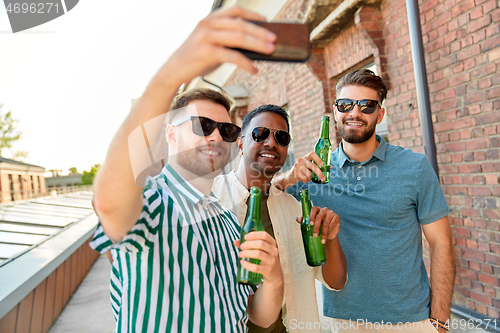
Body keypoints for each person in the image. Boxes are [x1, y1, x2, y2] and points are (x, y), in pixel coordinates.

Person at [91, 7, 286, 332]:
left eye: (226, 131)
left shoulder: (228, 222)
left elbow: (257, 315)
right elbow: (109, 203)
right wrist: (170, 75)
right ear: (170, 133)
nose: (215, 136)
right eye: (202, 125)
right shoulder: (152, 203)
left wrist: (274, 277)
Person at [274, 69, 456, 333]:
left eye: (367, 105)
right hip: (341, 320)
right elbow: (263, 196)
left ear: (380, 114)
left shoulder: (414, 167)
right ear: (335, 112)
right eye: (345, 104)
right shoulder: (314, 173)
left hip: (410, 319)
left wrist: (439, 321)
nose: (354, 113)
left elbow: (441, 243)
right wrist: (289, 176)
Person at [212, 104, 347, 333]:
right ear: (241, 142)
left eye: (282, 137)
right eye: (260, 133)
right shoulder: (210, 200)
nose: (272, 143)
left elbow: (335, 281)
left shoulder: (295, 209)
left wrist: (331, 239)